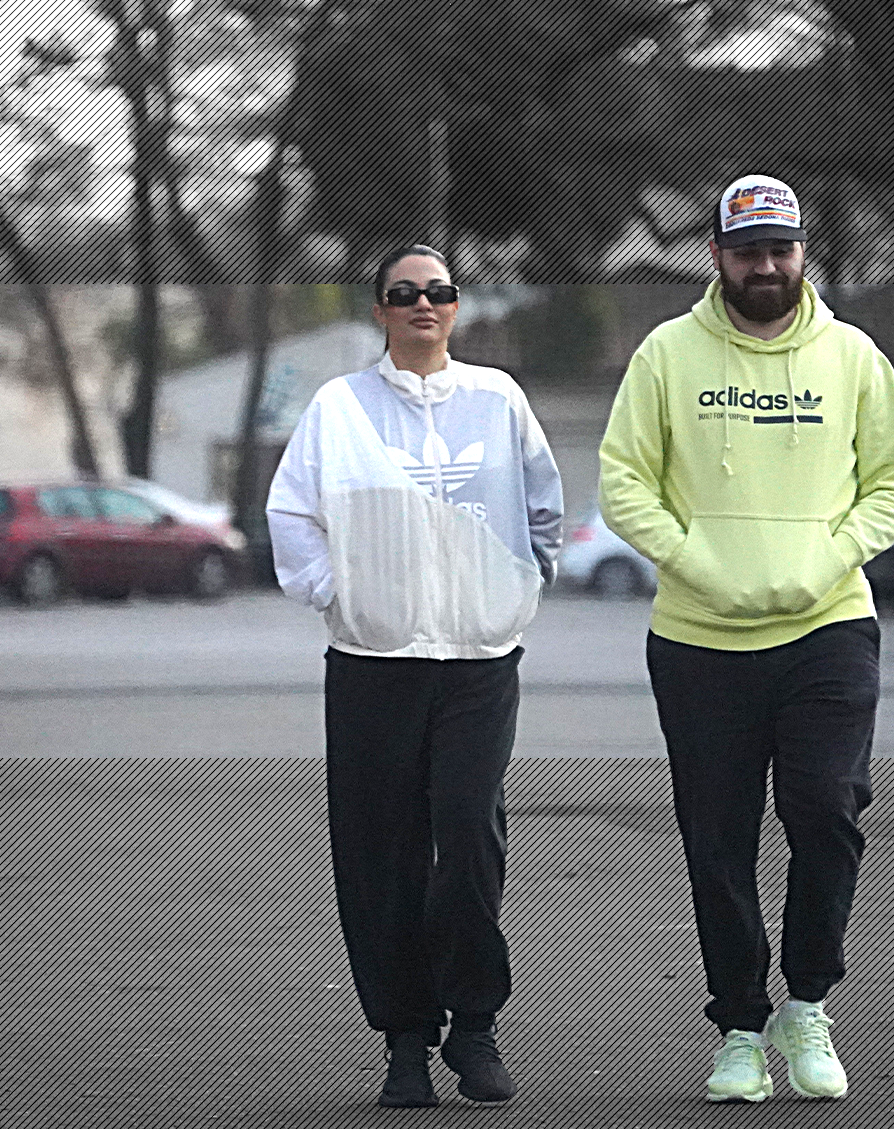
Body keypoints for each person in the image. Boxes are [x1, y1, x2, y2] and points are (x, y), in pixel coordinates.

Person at [598, 176, 894, 1103]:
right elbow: (624, 483)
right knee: (718, 836)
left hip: (826, 624)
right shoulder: (666, 354)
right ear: (717, 257)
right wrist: (694, 560)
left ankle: (807, 1003)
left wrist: (830, 555)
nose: (766, 266)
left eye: (780, 249)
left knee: (826, 811)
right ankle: (740, 1026)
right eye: (748, 252)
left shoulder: (852, 356)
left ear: (801, 253)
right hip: (698, 637)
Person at [266, 245, 563, 1108]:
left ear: (456, 307)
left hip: (478, 659)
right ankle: (404, 1040)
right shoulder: (339, 407)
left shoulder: (497, 399)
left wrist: (517, 584)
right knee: (380, 852)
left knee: (469, 834)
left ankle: (474, 1024)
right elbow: (291, 512)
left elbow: (543, 504)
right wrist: (339, 592)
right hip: (374, 663)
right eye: (404, 293)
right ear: (380, 311)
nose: (422, 304)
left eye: (438, 291)